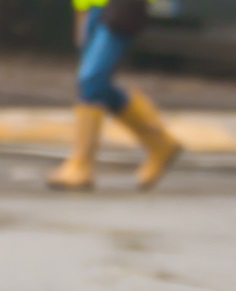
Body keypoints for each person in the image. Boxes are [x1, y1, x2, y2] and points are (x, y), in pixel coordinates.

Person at [46, 0, 182, 192]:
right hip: (91, 8)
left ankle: (81, 163)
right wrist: (81, 12)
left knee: (92, 78)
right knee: (95, 86)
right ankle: (159, 142)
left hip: (120, 7)